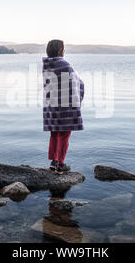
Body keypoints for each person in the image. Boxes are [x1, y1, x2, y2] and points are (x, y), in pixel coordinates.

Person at [42, 40, 84, 175]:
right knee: (65, 134)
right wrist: (79, 96)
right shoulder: (64, 64)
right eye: (63, 49)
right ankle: (60, 164)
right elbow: (74, 83)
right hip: (65, 105)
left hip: (52, 103)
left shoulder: (47, 65)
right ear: (61, 50)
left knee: (54, 132)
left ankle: (53, 162)